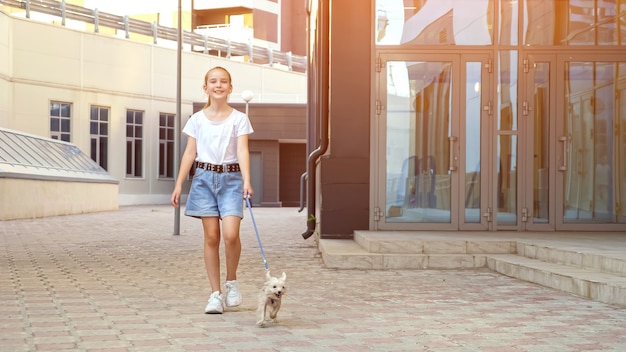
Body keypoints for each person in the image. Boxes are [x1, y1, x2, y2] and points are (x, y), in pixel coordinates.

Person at [171, 66, 254, 314]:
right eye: (213, 81)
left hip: (231, 179)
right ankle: (215, 294)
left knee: (230, 234)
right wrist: (178, 183)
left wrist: (247, 180)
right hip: (204, 180)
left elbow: (242, 151)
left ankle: (231, 281)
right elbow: (189, 153)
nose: (218, 85)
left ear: (230, 87)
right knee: (211, 237)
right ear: (205, 87)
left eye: (224, 81)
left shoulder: (239, 119)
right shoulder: (196, 120)